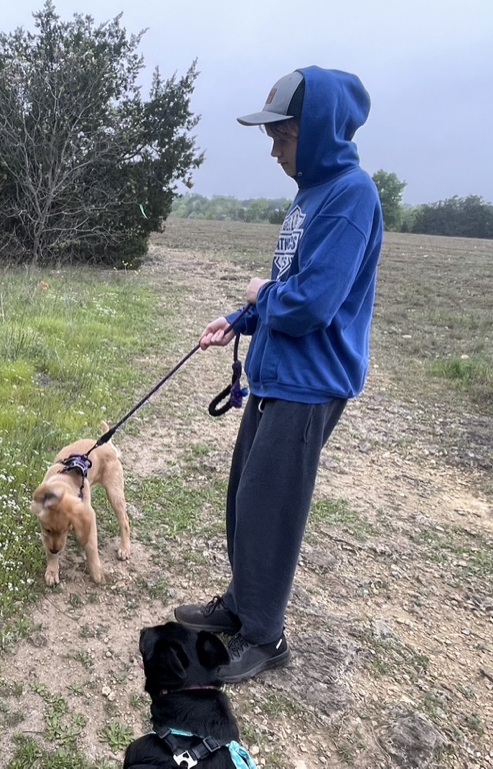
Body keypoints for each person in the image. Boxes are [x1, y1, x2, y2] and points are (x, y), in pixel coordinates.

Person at [173, 66, 383, 683]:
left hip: (309, 380)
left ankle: (265, 637)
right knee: (246, 497)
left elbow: (312, 302)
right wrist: (240, 317)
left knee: (272, 509)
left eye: (283, 138)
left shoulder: (350, 195)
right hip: (276, 374)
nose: (274, 152)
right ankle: (241, 604)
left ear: (317, 132)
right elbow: (287, 288)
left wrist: (259, 294)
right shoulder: (309, 195)